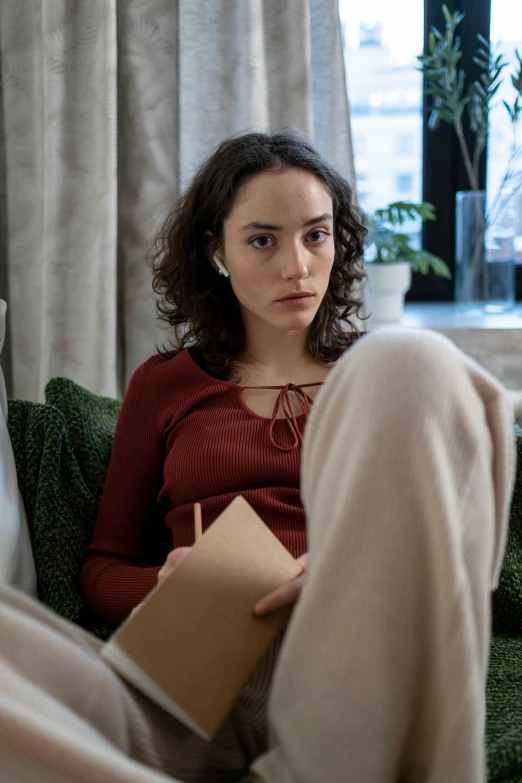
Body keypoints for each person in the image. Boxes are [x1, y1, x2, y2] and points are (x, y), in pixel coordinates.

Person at [0, 131, 516, 783]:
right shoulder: (164, 384)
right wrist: (165, 580)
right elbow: (100, 568)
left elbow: (450, 533)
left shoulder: (382, 377)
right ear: (217, 250)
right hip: (195, 661)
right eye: (263, 239)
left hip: (341, 649)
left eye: (317, 235)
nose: (297, 266)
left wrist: (342, 568)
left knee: (411, 357)